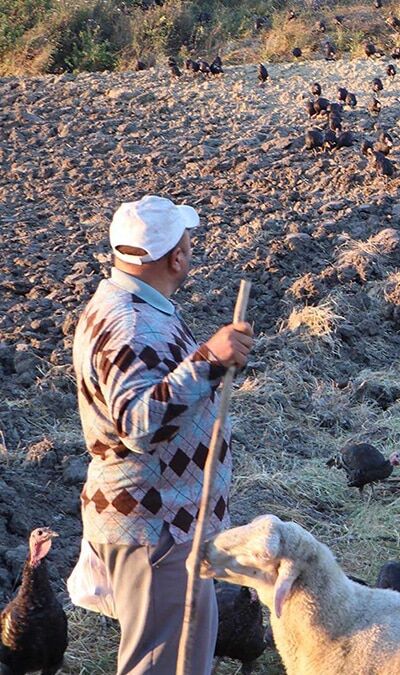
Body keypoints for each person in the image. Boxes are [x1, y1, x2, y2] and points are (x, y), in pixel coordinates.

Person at [72, 195, 253, 674]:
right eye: (187, 242)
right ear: (177, 257)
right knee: (163, 665)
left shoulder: (131, 305)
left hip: (162, 524)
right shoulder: (134, 326)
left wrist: (209, 364)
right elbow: (137, 423)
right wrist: (208, 360)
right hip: (158, 530)